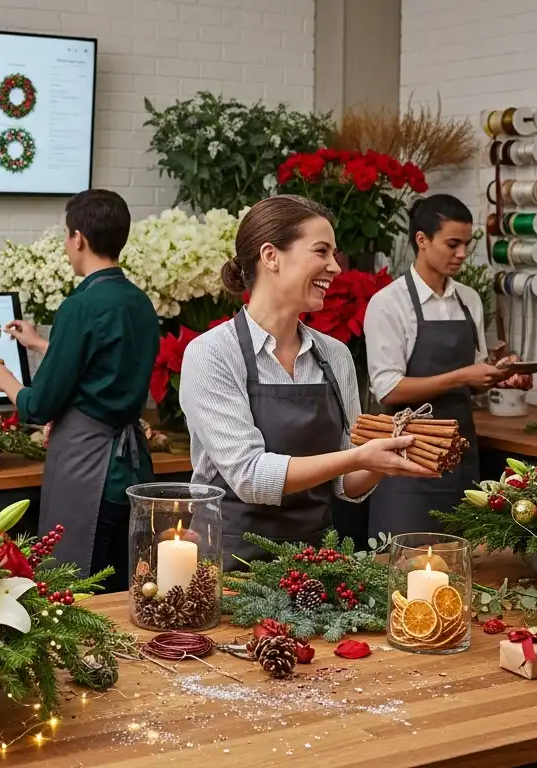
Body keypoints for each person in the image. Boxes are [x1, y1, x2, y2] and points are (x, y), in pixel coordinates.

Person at [179, 195, 433, 567]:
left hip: (315, 566)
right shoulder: (212, 354)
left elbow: (345, 484)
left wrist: (383, 458)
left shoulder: (335, 356)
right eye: (321, 251)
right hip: (229, 565)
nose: (335, 267)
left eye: (334, 253)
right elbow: (249, 477)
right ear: (271, 256)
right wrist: (359, 455)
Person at [0, 189, 158, 592]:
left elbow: (39, 405)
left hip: (90, 471)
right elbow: (107, 364)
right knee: (125, 583)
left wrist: (8, 383)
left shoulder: (82, 305)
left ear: (78, 238)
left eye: (66, 236)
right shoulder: (139, 302)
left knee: (79, 586)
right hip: (131, 467)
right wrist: (44, 344)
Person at [362, 194, 506, 536]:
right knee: (402, 565)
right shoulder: (388, 304)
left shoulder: (468, 299)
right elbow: (389, 389)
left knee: (465, 560)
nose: (461, 254)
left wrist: (495, 374)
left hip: (459, 453)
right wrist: (463, 375)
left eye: (466, 245)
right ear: (422, 240)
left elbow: (473, 375)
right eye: (452, 244)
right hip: (407, 456)